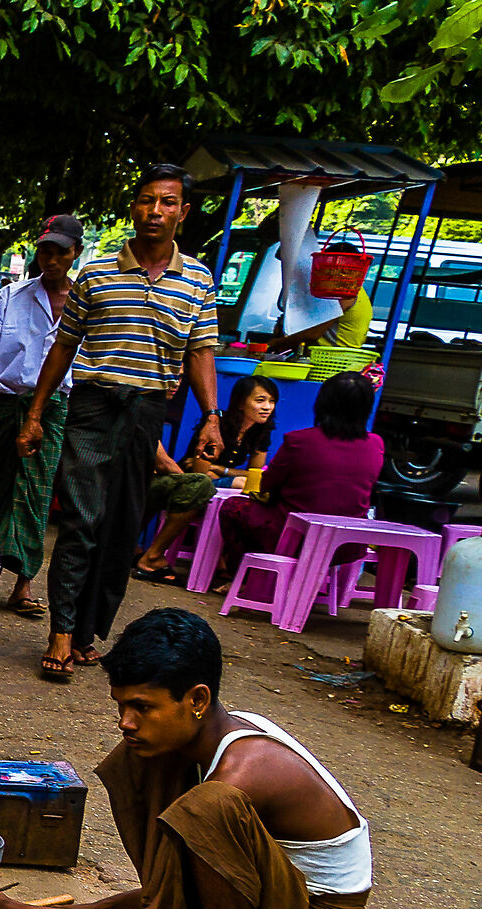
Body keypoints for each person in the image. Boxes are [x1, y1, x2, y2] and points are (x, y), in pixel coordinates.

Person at [0, 608, 368, 909]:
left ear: (197, 700)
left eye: (142, 707)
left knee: (205, 806)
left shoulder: (245, 772)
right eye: (121, 705)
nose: (126, 721)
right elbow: (182, 890)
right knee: (137, 759)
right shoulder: (216, 732)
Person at [21, 164, 221, 682]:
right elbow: (63, 346)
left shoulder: (198, 279)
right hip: (93, 407)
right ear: (133, 207)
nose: (155, 211)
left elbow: (201, 351)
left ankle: (88, 632)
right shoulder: (96, 273)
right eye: (147, 200)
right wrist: (36, 413)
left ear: (183, 212)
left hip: (147, 414)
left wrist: (212, 417)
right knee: (82, 521)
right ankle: (61, 631)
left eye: (167, 202)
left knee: (120, 528)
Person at [0, 214, 84, 618]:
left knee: (36, 490)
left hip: (53, 408)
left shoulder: (85, 302)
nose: (50, 260)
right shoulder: (11, 295)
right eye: (44, 251)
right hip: (8, 403)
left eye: (59, 252)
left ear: (75, 254)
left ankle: (24, 582)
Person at [214, 371, 385, 576]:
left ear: (322, 403)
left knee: (233, 507)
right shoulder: (376, 444)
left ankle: (243, 576)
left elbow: (267, 484)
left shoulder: (299, 440)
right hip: (347, 544)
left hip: (292, 536)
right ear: (366, 408)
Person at [133, 376, 277, 582]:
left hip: (216, 484)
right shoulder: (217, 426)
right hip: (189, 481)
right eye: (260, 400)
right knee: (237, 485)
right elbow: (200, 471)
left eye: (271, 402)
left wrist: (222, 470)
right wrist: (224, 472)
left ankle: (225, 563)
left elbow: (255, 473)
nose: (267, 407)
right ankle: (153, 558)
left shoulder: (261, 431)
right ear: (240, 402)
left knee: (250, 489)